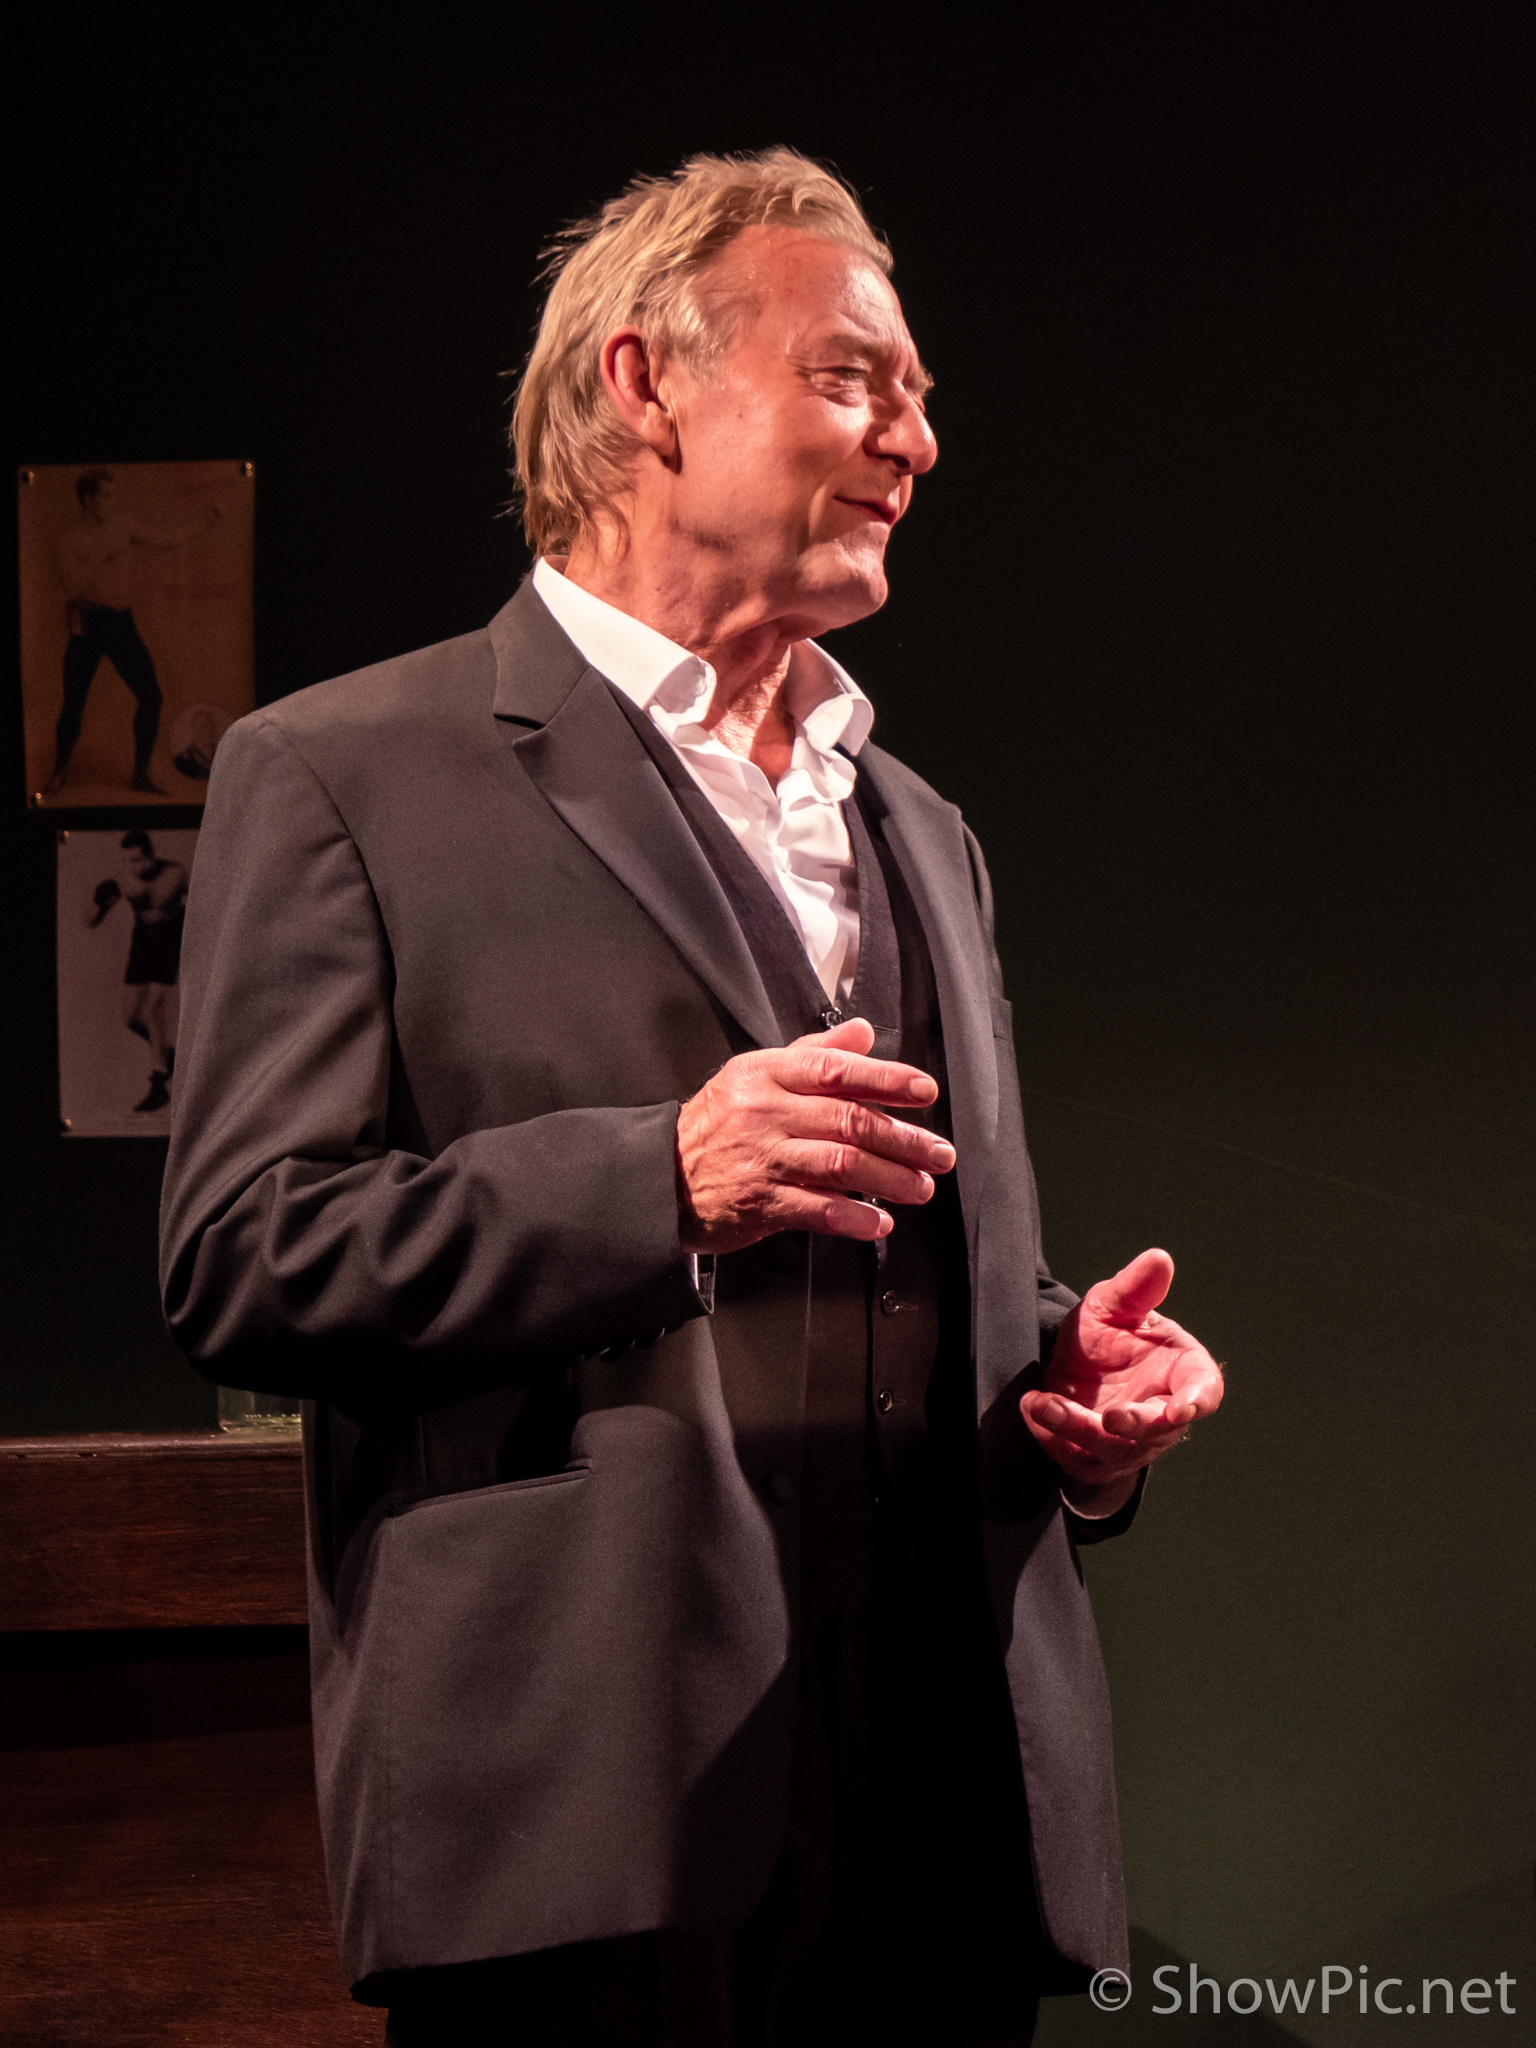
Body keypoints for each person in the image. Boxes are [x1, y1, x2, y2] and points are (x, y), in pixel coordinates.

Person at [159, 151, 1224, 2047]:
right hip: (585, 1797)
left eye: (916, 398)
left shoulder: (920, 824)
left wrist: (1064, 1392)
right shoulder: (346, 771)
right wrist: (659, 1176)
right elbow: (246, 1256)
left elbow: (906, 1276)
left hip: (939, 1796)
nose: (916, 440)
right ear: (646, 385)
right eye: (852, 379)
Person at [46, 469, 220, 796]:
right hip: (87, 623)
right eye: (105, 496)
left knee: (151, 696)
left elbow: (166, 540)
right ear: (88, 499)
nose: (112, 503)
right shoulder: (69, 539)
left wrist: (203, 523)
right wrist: (102, 552)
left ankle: (140, 774)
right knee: (73, 703)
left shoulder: (123, 525)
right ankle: (60, 770)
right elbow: (72, 587)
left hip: (120, 624)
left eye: (113, 496)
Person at [89, 829, 188, 1111]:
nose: (133, 867)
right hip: (143, 943)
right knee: (131, 1017)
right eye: (128, 861)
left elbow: (203, 903)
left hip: (169, 940)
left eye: (137, 860)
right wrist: (99, 902)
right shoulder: (123, 880)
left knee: (153, 1007)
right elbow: (90, 921)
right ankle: (166, 1056)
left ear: (150, 856)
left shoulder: (175, 873)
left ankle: (159, 1085)